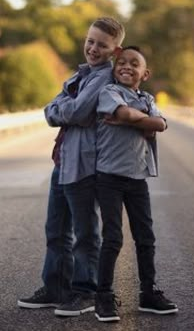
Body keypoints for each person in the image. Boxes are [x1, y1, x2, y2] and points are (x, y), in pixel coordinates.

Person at [17, 17, 125, 317]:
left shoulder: (104, 78)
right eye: (90, 41)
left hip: (84, 165)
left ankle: (85, 291)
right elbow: (50, 109)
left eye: (102, 45)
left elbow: (75, 111)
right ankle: (55, 289)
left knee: (85, 233)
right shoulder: (81, 75)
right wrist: (62, 110)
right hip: (63, 160)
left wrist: (61, 109)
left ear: (114, 50)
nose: (93, 48)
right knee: (56, 230)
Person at [94, 46, 178, 322]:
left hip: (137, 178)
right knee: (113, 238)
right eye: (121, 62)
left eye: (134, 63)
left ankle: (149, 293)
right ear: (114, 68)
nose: (126, 66)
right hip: (109, 177)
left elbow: (162, 125)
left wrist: (134, 119)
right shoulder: (110, 92)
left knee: (146, 238)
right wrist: (141, 121)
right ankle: (103, 296)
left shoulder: (147, 97)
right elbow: (131, 116)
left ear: (145, 73)